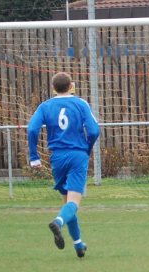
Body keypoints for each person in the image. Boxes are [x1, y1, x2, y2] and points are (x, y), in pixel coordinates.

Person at [27, 72, 100, 258]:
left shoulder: (45, 106)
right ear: (71, 86)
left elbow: (32, 129)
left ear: (53, 88)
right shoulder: (80, 103)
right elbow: (93, 130)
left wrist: (34, 156)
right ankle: (58, 222)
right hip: (77, 155)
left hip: (57, 158)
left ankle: (78, 245)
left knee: (67, 201)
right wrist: (87, 148)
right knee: (74, 202)